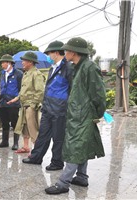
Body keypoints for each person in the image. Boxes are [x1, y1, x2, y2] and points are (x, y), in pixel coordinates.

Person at [45, 37, 106, 194]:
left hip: (84, 115)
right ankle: (82, 177)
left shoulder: (89, 68)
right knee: (80, 145)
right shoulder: (77, 66)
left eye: (66, 51)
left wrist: (97, 113)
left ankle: (63, 183)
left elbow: (98, 94)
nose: (64, 53)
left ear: (73, 52)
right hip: (76, 114)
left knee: (75, 146)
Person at [22, 41, 73, 170]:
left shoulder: (68, 68)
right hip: (48, 108)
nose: (49, 56)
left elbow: (72, 89)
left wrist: (66, 106)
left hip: (60, 109)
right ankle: (36, 157)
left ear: (56, 53)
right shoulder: (52, 68)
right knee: (43, 135)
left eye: (50, 53)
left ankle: (57, 162)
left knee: (58, 137)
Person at [8, 51, 45, 153]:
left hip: (31, 105)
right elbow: (23, 90)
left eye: (24, 61)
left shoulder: (36, 74)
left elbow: (40, 91)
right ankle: (26, 147)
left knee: (32, 128)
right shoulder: (26, 73)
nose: (22, 63)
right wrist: (16, 98)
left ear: (30, 62)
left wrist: (33, 105)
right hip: (24, 105)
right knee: (24, 127)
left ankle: (36, 151)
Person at [0, 54, 23, 150]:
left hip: (13, 102)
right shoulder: (2, 74)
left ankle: (16, 143)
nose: (2, 64)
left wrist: (17, 98)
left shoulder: (18, 74)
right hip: (3, 102)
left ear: (9, 63)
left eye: (3, 62)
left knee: (15, 123)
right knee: (4, 123)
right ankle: (5, 141)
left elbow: (21, 88)